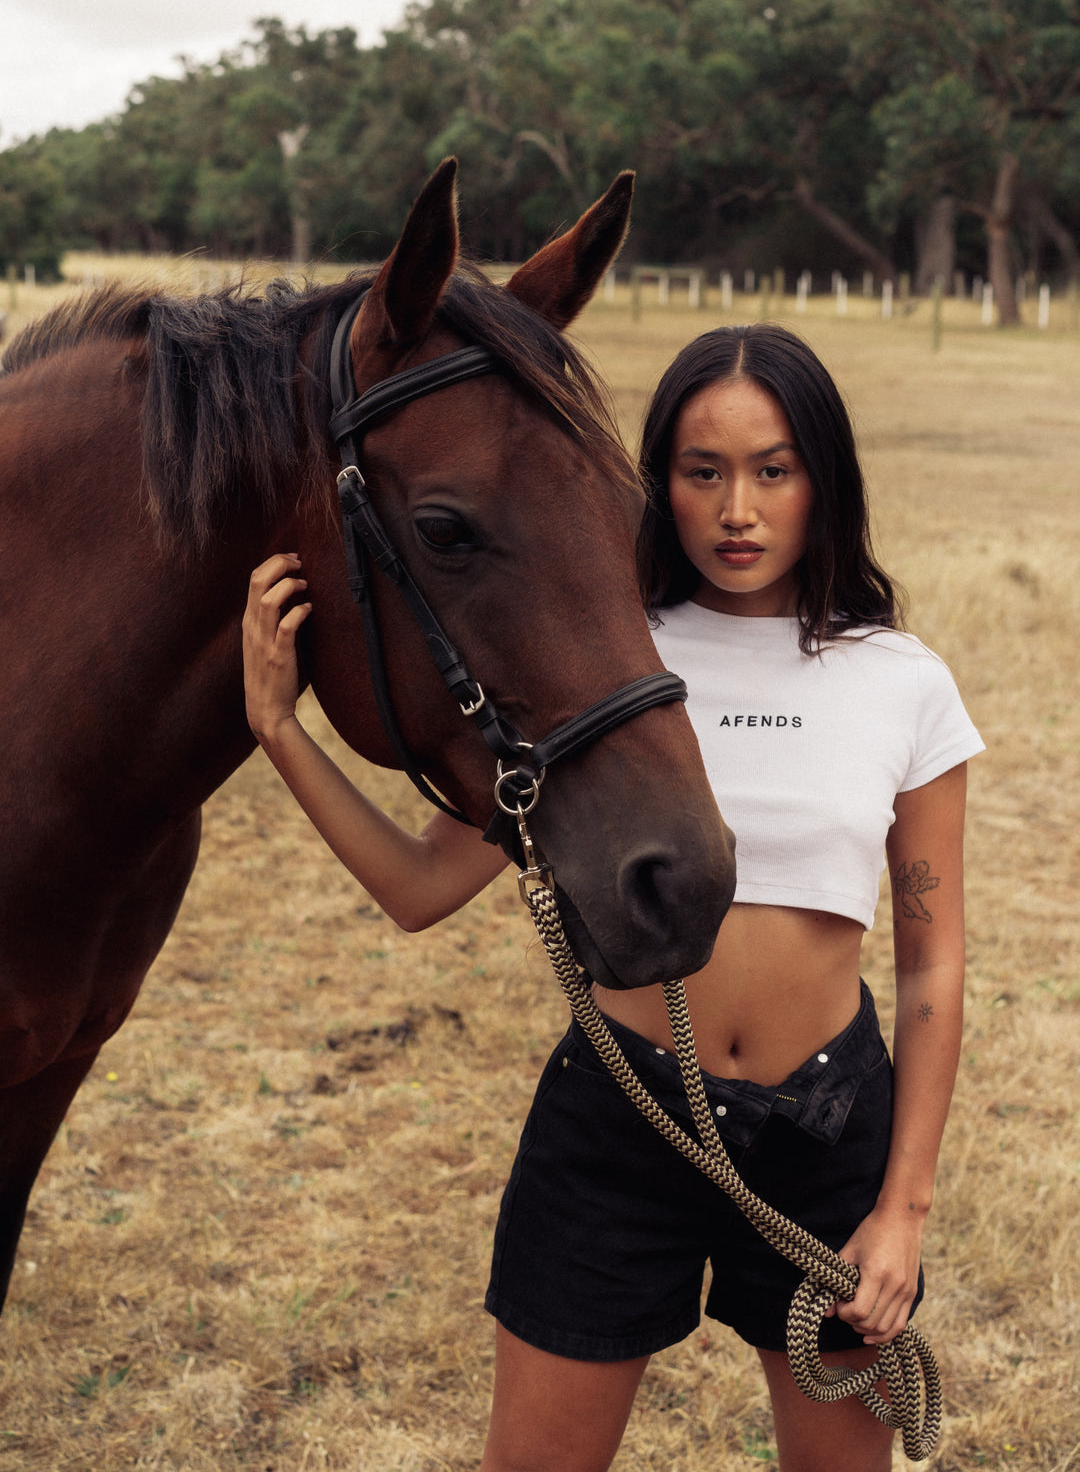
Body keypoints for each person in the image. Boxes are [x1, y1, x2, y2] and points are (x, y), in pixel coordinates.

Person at [242, 323, 983, 1472]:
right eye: (702, 472)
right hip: (622, 1119)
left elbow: (933, 965)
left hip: (827, 1132)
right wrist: (281, 731)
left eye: (773, 470)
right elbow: (423, 885)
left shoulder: (903, 682)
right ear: (658, 484)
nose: (738, 509)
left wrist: (903, 1210)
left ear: (821, 480)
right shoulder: (606, 646)